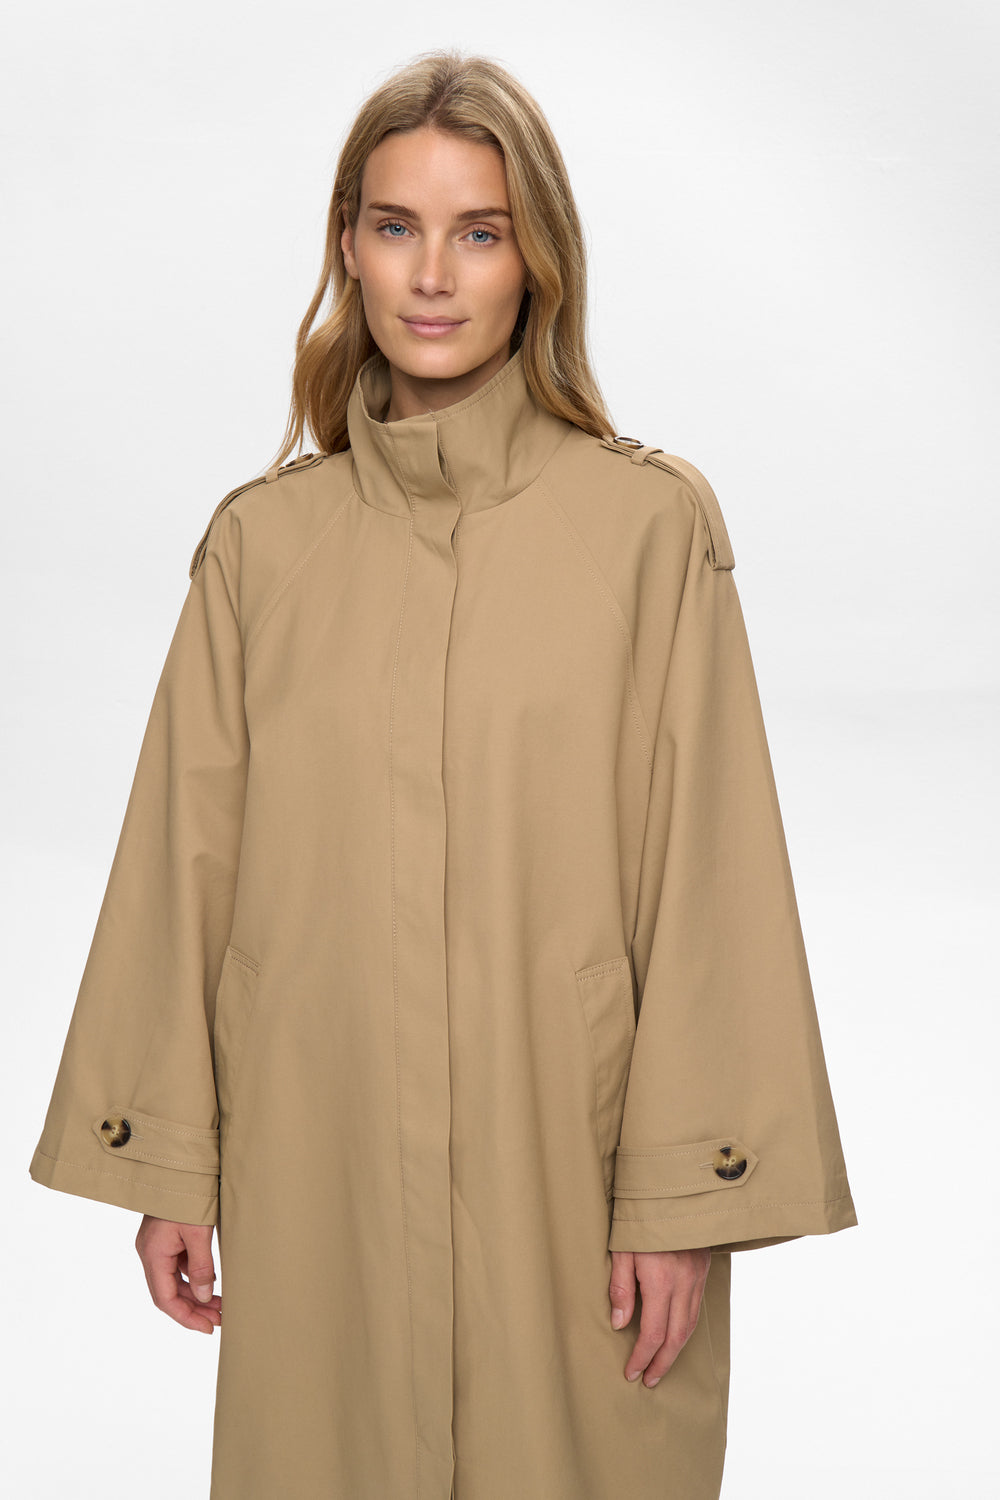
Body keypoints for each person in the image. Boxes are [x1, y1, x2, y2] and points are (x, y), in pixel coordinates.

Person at [29, 47, 857, 1500]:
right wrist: (168, 1160)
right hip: (320, 1160)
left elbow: (712, 872)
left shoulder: (647, 531)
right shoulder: (262, 549)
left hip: (568, 1173)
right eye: (396, 226)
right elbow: (182, 861)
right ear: (347, 246)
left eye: (479, 231)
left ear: (538, 259)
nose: (432, 275)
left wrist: (682, 1193)